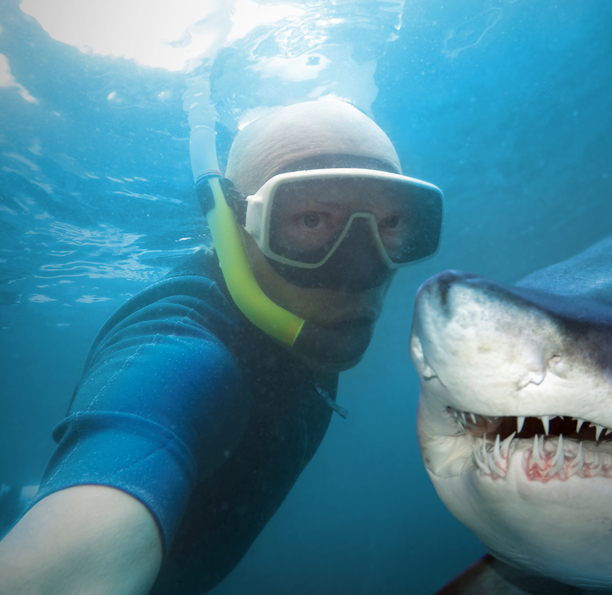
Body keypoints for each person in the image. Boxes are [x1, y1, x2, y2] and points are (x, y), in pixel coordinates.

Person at [0, 99, 444, 595]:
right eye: (312, 220)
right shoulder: (182, 353)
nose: (360, 272)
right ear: (235, 225)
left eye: (392, 224)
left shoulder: (300, 312)